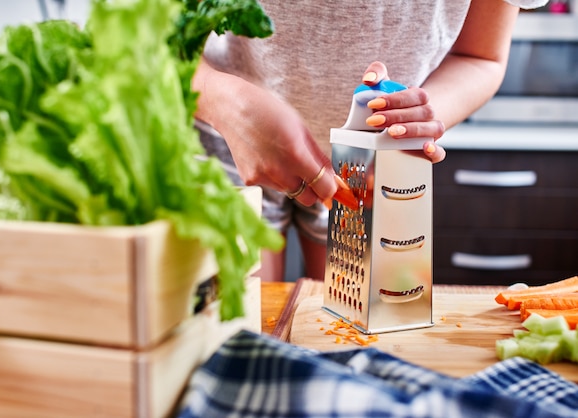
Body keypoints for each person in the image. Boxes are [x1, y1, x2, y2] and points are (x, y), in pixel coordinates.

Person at [192, 0, 548, 282]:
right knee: (245, 330)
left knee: (344, 336)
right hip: (228, 139)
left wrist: (411, 120)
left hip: (372, 165)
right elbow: (145, 35)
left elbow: (480, 57)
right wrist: (226, 104)